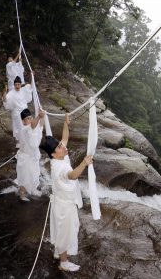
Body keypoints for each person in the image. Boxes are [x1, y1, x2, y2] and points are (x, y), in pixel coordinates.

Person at [40, 114, 93, 272]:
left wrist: (65, 123)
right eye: (59, 147)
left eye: (61, 146)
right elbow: (73, 175)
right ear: (54, 154)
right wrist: (84, 163)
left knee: (61, 229)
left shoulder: (59, 156)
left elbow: (65, 138)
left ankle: (58, 253)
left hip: (62, 201)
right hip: (63, 205)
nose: (63, 147)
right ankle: (64, 262)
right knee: (65, 232)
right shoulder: (59, 167)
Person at [16, 108, 45, 201]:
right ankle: (22, 194)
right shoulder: (24, 129)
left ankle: (33, 189)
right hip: (25, 158)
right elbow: (32, 125)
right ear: (23, 121)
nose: (30, 120)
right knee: (25, 177)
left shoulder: (33, 126)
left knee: (34, 174)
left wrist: (42, 117)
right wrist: (39, 116)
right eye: (27, 118)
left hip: (33, 156)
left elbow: (40, 124)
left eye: (30, 117)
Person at [2, 75, 33, 147]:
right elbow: (5, 100)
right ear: (14, 85)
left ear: (20, 84)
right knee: (19, 128)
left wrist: (32, 76)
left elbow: (31, 87)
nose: (17, 86)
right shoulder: (11, 93)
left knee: (28, 126)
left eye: (18, 84)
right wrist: (4, 92)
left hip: (25, 113)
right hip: (17, 114)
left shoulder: (23, 90)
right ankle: (20, 143)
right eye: (16, 84)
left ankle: (28, 142)